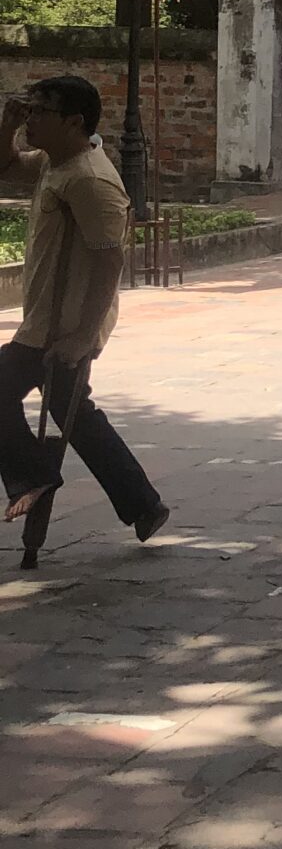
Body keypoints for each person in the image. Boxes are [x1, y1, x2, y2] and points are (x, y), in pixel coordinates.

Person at [0, 75, 168, 546]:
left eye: (40, 112)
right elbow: (4, 167)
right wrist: (8, 126)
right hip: (45, 320)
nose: (31, 119)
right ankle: (143, 504)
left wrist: (81, 335)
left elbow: (109, 259)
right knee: (74, 412)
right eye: (29, 110)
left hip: (62, 326)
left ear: (74, 122)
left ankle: (33, 475)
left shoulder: (90, 179)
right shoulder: (58, 162)